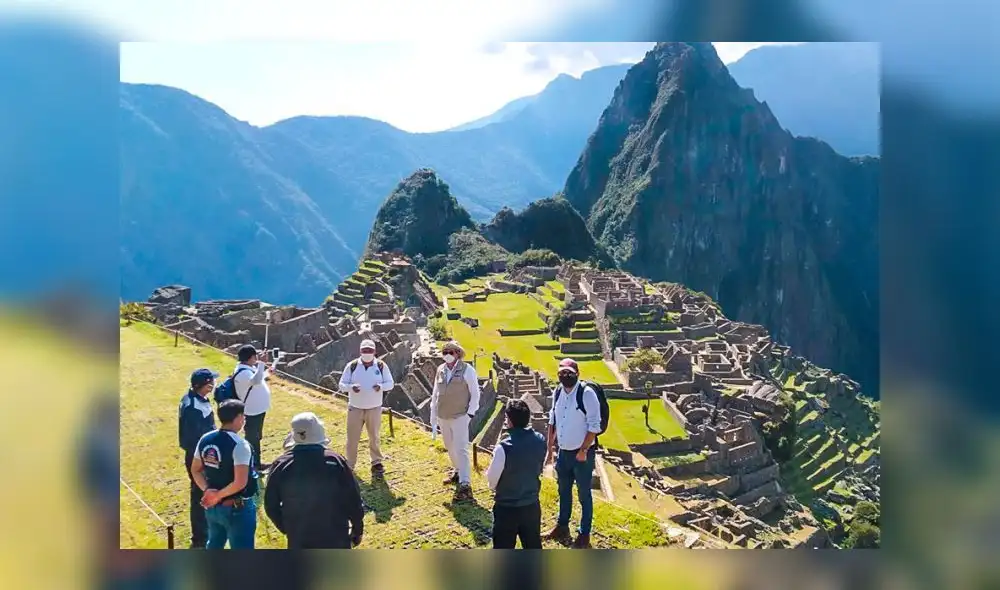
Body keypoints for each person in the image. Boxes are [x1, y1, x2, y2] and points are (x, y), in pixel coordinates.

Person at [264, 412, 365, 549]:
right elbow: (353, 498)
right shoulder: (335, 461)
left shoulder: (281, 465)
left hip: (299, 535)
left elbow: (271, 504)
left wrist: (287, 527)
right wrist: (357, 528)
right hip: (335, 534)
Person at [544, 358, 601, 549]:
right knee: (563, 491)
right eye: (562, 373)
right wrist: (550, 447)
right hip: (564, 453)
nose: (565, 376)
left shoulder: (587, 394)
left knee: (584, 494)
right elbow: (553, 417)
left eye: (569, 373)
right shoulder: (558, 391)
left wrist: (584, 450)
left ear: (577, 373)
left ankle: (584, 535)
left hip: (581, 454)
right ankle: (562, 526)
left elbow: (595, 426)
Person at [190, 400, 259, 549]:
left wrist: (208, 491)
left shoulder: (205, 438)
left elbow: (195, 469)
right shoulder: (240, 445)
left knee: (214, 544)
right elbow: (240, 482)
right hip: (236, 508)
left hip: (213, 508)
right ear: (239, 417)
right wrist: (217, 495)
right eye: (244, 417)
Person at [486, 399, 547, 549]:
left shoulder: (503, 448)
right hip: (531, 506)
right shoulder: (540, 440)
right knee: (532, 545)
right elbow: (539, 467)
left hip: (507, 509)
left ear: (510, 420)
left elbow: (492, 481)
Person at [429, 340, 481, 501]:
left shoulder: (467, 370)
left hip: (460, 416)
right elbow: (435, 393)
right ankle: (457, 472)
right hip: (443, 415)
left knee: (461, 449)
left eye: (451, 352)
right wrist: (433, 413)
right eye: (445, 352)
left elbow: (475, 393)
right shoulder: (441, 370)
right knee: (449, 446)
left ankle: (465, 484)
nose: (448, 355)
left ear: (458, 353)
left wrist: (470, 414)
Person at [338, 339, 395, 477]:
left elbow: (390, 383)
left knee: (374, 436)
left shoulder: (381, 366)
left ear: (374, 352)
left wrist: (380, 387)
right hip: (355, 407)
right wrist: (351, 388)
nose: (367, 353)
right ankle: (350, 464)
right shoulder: (352, 366)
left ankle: (376, 462)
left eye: (369, 350)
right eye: (365, 350)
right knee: (352, 438)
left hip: (374, 407)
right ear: (360, 351)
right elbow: (341, 385)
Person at [178, 368, 218, 548]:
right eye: (211, 382)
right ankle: (200, 538)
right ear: (205, 384)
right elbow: (194, 437)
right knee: (200, 493)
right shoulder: (193, 407)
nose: (213, 384)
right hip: (198, 456)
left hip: (200, 454)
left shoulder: (196, 399)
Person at [233, 344, 274, 472]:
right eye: (255, 356)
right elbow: (255, 380)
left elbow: (258, 377)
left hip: (257, 410)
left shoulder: (247, 370)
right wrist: (262, 363)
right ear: (251, 357)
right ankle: (254, 465)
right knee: (253, 438)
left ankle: (255, 462)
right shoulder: (243, 372)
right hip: (252, 411)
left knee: (256, 437)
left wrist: (267, 371)